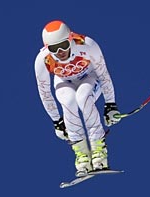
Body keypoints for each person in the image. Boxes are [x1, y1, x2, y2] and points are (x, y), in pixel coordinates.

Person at [34, 20, 122, 176]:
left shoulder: (87, 44)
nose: (60, 51)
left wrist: (110, 104)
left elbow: (103, 74)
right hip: (63, 81)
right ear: (48, 48)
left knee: (83, 97)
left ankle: (99, 151)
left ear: (71, 38)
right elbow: (45, 92)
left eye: (64, 45)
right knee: (68, 100)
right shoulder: (43, 59)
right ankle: (81, 156)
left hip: (89, 77)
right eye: (54, 48)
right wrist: (56, 121)